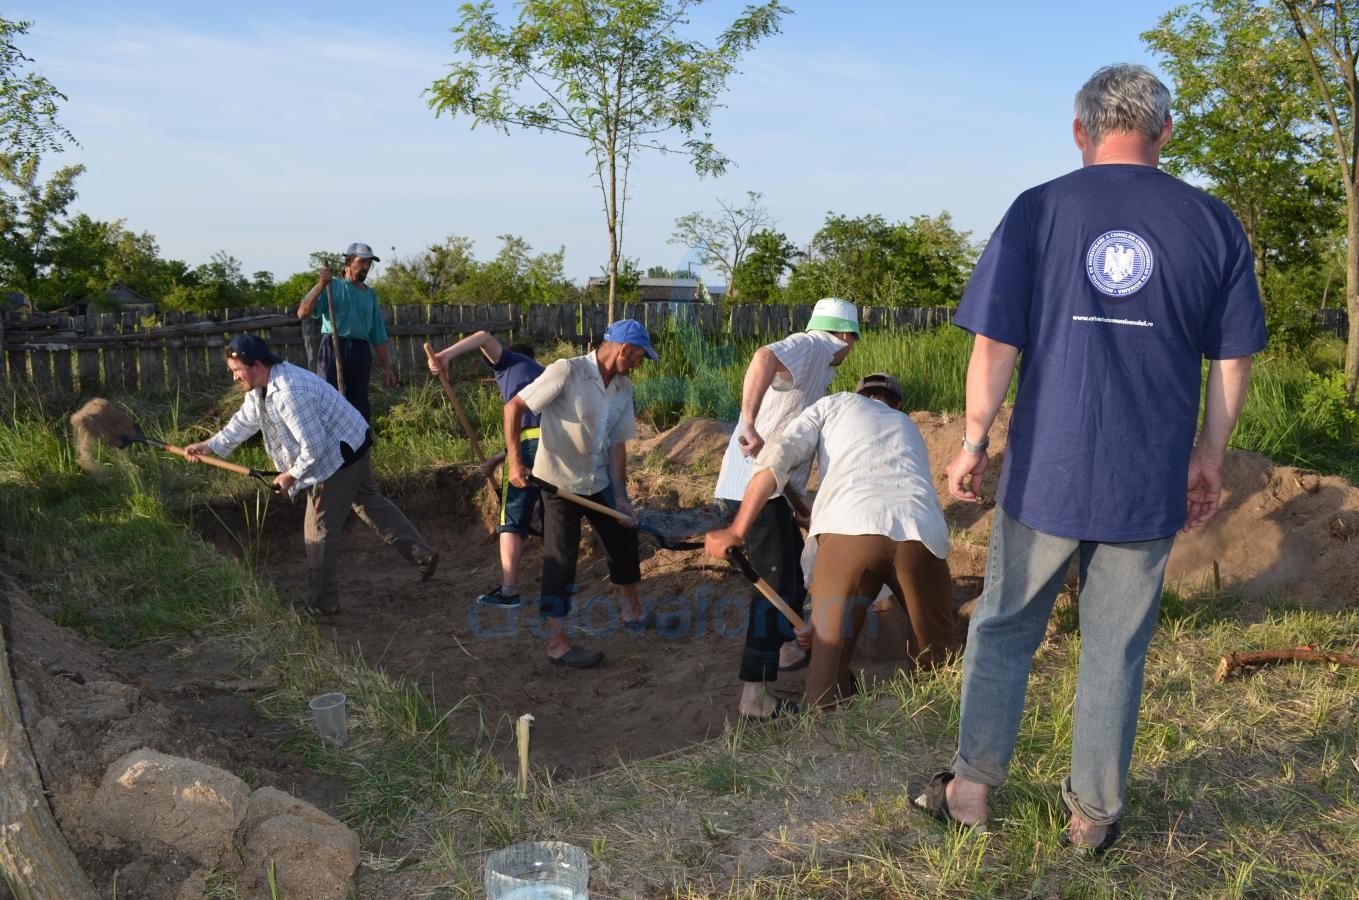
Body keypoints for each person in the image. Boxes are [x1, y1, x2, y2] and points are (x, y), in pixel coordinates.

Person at [914, 64, 1266, 853]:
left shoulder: (1039, 209)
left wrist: (972, 440)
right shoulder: (1211, 222)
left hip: (1048, 473)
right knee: (1113, 645)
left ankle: (968, 791)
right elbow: (1233, 359)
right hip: (1146, 479)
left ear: (1079, 132)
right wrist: (1207, 457)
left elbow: (994, 342)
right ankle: (1092, 817)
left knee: (1005, 627)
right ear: (1164, 133)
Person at [705, 373, 954, 709]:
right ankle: (933, 716)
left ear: (860, 394)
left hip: (849, 526)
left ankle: (826, 722)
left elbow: (775, 458)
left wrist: (737, 530)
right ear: (898, 404)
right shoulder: (908, 428)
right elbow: (886, 535)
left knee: (827, 669)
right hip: (923, 536)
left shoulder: (834, 404)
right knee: (939, 662)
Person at [185, 334, 439, 615]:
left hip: (338, 456)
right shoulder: (260, 387)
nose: (233, 377)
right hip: (352, 440)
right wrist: (210, 445)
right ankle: (423, 556)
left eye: (235, 370)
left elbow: (314, 447)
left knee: (318, 529)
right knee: (369, 503)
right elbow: (245, 421)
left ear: (256, 364)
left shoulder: (289, 393)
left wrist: (291, 475)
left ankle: (323, 604)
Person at [711, 297, 859, 718]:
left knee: (787, 585)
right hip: (751, 491)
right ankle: (754, 699)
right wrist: (748, 423)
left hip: (770, 494)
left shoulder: (817, 372)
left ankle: (792, 653)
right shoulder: (815, 346)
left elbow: (787, 458)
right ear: (847, 336)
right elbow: (763, 357)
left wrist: (802, 505)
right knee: (775, 590)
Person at [503, 319, 658, 668]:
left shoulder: (622, 388)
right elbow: (514, 408)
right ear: (624, 350)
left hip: (598, 481)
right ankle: (557, 643)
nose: (638, 364)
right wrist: (514, 463)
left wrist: (621, 497)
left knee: (623, 542)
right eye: (639, 357)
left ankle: (632, 613)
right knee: (560, 561)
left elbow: (617, 445)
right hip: (558, 484)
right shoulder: (566, 372)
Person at [428, 331, 544, 608]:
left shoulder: (508, 363)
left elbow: (482, 337)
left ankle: (509, 591)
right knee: (554, 513)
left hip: (528, 448)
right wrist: (498, 458)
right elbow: (537, 430)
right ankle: (560, 583)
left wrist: (444, 356)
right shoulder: (542, 372)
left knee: (512, 522)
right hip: (554, 446)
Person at [296, 242, 396, 422]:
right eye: (362, 262)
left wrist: (387, 368)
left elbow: (378, 335)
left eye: (369, 263)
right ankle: (330, 446)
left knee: (359, 404)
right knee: (329, 399)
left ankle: (359, 447)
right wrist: (321, 284)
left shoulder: (370, 295)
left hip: (360, 350)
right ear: (349, 261)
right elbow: (303, 313)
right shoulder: (331, 286)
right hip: (333, 347)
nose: (366, 267)